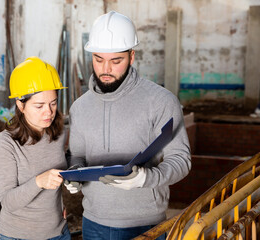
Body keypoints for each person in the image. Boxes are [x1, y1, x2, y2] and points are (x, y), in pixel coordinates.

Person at [64, 11, 191, 240]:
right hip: (94, 223)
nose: (106, 70)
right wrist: (74, 174)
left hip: (146, 225)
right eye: (98, 59)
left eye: (116, 61)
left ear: (132, 56)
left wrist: (146, 178)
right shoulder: (80, 108)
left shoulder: (161, 101)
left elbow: (181, 159)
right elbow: (77, 156)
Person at [0, 56, 71, 240]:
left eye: (53, 103)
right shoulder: (6, 143)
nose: (49, 112)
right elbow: (8, 202)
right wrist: (39, 182)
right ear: (20, 104)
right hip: (16, 236)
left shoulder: (58, 134)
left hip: (58, 233)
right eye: (39, 105)